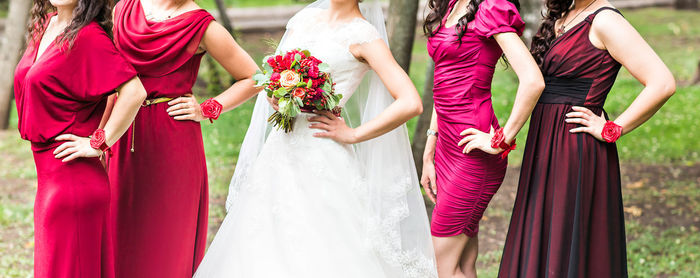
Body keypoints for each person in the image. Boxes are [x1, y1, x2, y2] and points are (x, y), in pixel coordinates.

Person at [193, 0, 437, 277]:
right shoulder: (304, 20)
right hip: (279, 151)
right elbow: (272, 78)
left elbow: (410, 102)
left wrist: (354, 134)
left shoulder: (364, 36)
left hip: (323, 153)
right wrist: (276, 95)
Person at [498, 0, 676, 277]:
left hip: (574, 147)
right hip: (543, 144)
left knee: (566, 236)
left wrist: (612, 128)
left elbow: (662, 83)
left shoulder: (605, 20)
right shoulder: (566, 13)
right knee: (544, 232)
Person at [107, 0, 260, 277]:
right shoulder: (123, 9)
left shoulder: (202, 25)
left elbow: (252, 77)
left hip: (172, 139)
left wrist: (208, 108)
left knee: (166, 235)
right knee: (119, 228)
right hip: (122, 130)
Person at [13, 0, 146, 277]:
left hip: (73, 184)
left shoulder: (88, 36)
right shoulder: (45, 24)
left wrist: (99, 141)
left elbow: (134, 92)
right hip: (49, 185)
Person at [421, 0, 544, 277]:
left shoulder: (491, 7)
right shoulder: (451, 5)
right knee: (462, 264)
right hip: (446, 148)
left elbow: (533, 80)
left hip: (472, 155)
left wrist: (501, 140)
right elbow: (444, 86)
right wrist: (430, 150)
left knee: (440, 267)